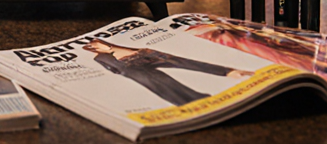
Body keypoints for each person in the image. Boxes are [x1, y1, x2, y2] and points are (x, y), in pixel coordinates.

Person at [82, 39, 253, 107]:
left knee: (182, 62)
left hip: (144, 54)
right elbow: (115, 70)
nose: (97, 47)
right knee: (154, 81)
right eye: (94, 47)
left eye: (97, 44)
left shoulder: (122, 43)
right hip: (129, 67)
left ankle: (228, 71)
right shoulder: (100, 58)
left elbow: (183, 61)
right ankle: (192, 102)